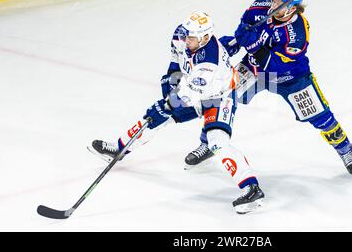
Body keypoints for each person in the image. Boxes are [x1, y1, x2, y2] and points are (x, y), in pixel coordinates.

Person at [88, 11, 265, 214]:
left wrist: (165, 106)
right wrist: (170, 79)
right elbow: (176, 60)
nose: (186, 40)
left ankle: (251, 188)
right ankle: (118, 149)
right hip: (192, 89)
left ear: (205, 38)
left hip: (219, 96)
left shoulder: (209, 64)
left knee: (217, 141)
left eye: (192, 38)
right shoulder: (182, 35)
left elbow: (185, 97)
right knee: (153, 121)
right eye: (187, 35)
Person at [185, 0, 352, 178]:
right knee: (220, 96)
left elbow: (277, 65)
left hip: (290, 78)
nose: (272, 3)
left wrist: (253, 46)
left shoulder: (298, 32)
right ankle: (207, 142)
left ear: (291, 7)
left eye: (278, 1)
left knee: (319, 115)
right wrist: (227, 46)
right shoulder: (258, 8)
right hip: (253, 69)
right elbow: (240, 37)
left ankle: (345, 150)